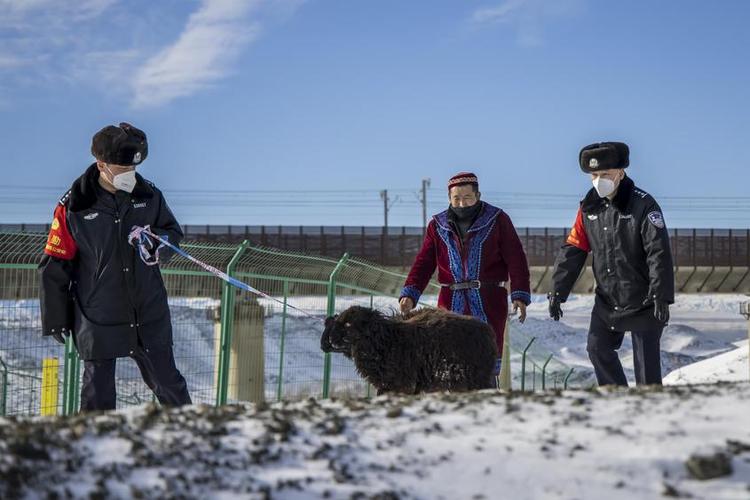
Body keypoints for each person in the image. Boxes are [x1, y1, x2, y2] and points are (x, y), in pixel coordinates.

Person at [39, 122, 191, 411]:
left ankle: (192, 440)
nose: (129, 177)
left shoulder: (149, 196)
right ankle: (94, 449)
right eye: (122, 170)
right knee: (98, 393)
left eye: (133, 170)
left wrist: (161, 244)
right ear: (101, 164)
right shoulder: (74, 207)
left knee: (169, 384)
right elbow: (55, 264)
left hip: (147, 309)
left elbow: (172, 232)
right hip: (98, 314)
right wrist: (55, 317)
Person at [549, 141, 674, 386]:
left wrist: (661, 294)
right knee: (597, 349)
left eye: (604, 174)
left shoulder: (644, 205)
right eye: (594, 175)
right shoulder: (587, 209)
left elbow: (658, 252)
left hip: (645, 300)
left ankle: (651, 415)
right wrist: (557, 290)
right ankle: (617, 403)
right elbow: (573, 249)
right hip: (608, 300)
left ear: (620, 172)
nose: (598, 180)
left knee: (647, 373)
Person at [399, 172, 531, 376]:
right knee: (448, 356)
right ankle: (452, 400)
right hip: (450, 302)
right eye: (456, 198)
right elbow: (424, 262)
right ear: (449, 198)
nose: (461, 203)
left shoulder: (497, 219)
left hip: (489, 301)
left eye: (467, 198)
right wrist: (410, 293)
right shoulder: (438, 225)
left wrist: (519, 295)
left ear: (477, 195)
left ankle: (486, 393)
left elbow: (516, 259)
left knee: (485, 354)